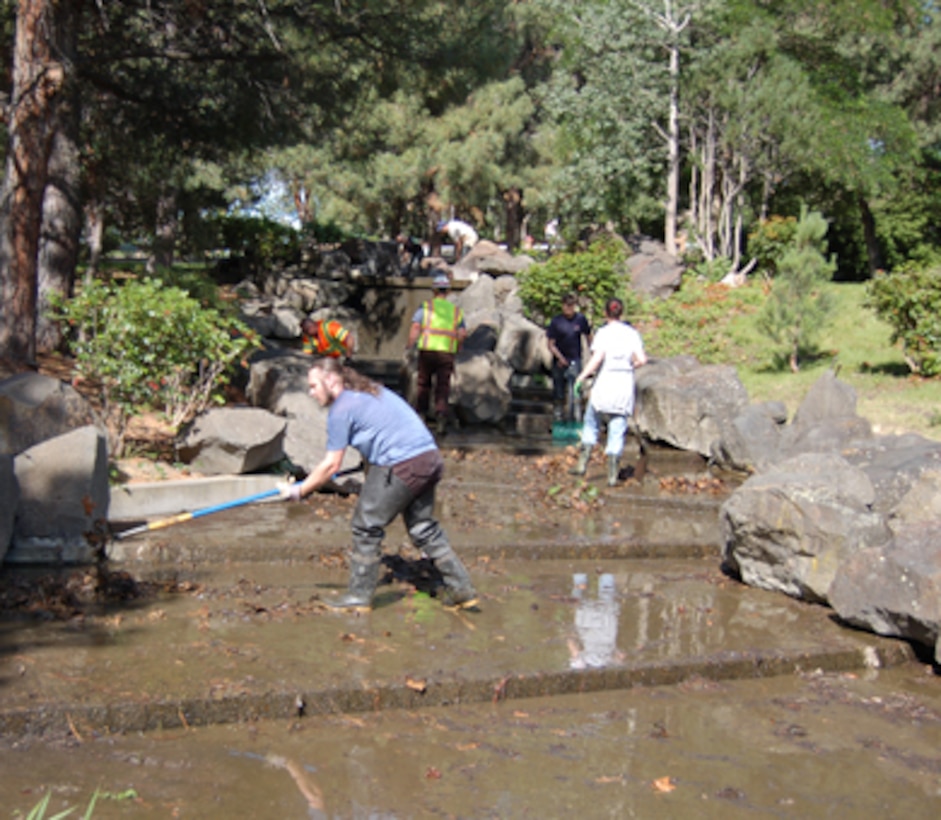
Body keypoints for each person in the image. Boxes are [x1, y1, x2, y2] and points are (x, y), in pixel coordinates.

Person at [279, 358, 478, 612]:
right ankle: (461, 588)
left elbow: (331, 465)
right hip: (429, 458)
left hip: (401, 463)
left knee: (366, 526)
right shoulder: (371, 391)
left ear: (331, 380)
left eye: (314, 385)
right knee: (423, 528)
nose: (311, 392)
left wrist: (299, 490)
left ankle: (359, 596)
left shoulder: (341, 409)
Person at [570, 297, 647, 486]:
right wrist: (631, 365)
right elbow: (642, 360)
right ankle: (612, 476)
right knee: (617, 427)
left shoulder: (603, 333)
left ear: (606, 313)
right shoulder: (632, 334)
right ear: (621, 313)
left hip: (605, 382)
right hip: (623, 384)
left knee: (591, 422)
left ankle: (582, 465)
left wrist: (581, 377)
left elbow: (597, 359)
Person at [408, 270, 466, 435]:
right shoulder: (456, 311)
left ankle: (421, 415)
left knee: (423, 384)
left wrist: (409, 345)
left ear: (434, 291)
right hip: (446, 352)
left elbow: (415, 327)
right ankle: (441, 416)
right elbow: (462, 333)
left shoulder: (425, 307)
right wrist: (458, 346)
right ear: (447, 292)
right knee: (443, 386)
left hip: (427, 351)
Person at [546, 293, 592, 421]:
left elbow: (588, 337)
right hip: (559, 360)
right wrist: (560, 358)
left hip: (575, 359)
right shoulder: (556, 322)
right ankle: (558, 419)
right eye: (566, 306)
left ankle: (576, 420)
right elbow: (550, 344)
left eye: (571, 306)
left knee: (575, 392)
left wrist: (593, 354)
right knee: (559, 392)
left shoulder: (580, 320)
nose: (569, 309)